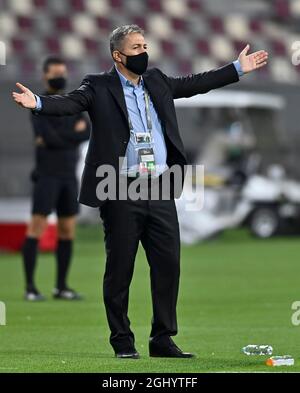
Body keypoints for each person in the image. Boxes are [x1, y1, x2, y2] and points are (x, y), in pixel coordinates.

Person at [12, 25, 268, 358]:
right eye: (136, 47)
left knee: (168, 265)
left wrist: (236, 69)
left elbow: (195, 83)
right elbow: (71, 103)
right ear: (118, 55)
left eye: (145, 45)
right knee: (120, 269)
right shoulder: (98, 85)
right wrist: (39, 103)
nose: (143, 51)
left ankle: (162, 339)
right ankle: (122, 341)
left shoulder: (158, 81)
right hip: (118, 186)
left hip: (160, 185)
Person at [21, 56, 90, 301]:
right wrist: (71, 133)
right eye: (55, 73)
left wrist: (60, 137)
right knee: (36, 228)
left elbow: (86, 132)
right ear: (45, 75)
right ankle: (30, 287)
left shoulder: (71, 101)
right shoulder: (36, 103)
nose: (60, 77)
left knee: (67, 230)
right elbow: (50, 138)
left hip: (68, 176)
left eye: (62, 72)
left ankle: (61, 286)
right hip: (47, 175)